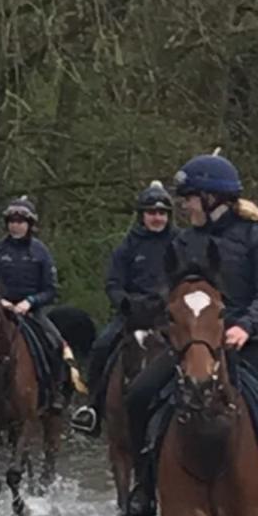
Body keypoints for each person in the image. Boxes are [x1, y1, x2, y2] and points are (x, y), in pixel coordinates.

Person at [121, 153, 258, 516]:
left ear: (211, 198)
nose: (185, 205)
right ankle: (145, 486)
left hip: (248, 340)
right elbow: (172, 292)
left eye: (190, 198)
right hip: (194, 342)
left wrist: (245, 326)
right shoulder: (184, 240)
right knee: (139, 394)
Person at [70, 180, 176, 436]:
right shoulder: (127, 246)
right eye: (152, 213)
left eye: (162, 213)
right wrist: (126, 303)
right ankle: (93, 407)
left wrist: (167, 299)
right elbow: (113, 283)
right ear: (142, 216)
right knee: (102, 345)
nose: (157, 218)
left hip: (167, 314)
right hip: (133, 315)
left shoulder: (180, 244)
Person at [0, 196, 67, 406]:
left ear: (29, 225)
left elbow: (50, 289)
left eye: (20, 222)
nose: (15, 226)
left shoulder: (41, 252)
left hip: (31, 310)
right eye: (12, 221)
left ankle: (55, 394)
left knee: (56, 343)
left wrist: (30, 302)